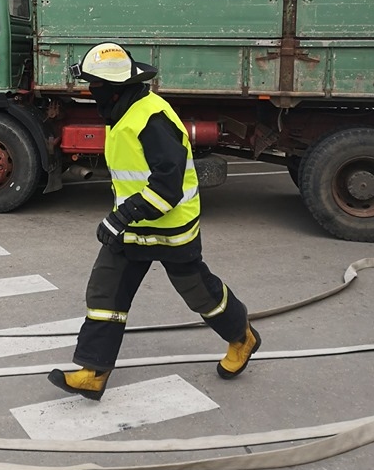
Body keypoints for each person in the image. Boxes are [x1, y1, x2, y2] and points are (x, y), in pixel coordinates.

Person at [48, 42, 260, 401]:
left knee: (200, 295)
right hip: (133, 231)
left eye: (94, 87)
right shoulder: (122, 111)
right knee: (105, 292)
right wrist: (125, 220)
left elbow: (168, 186)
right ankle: (93, 372)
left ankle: (242, 338)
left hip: (170, 229)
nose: (90, 93)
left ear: (113, 89)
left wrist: (122, 216)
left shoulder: (152, 119)